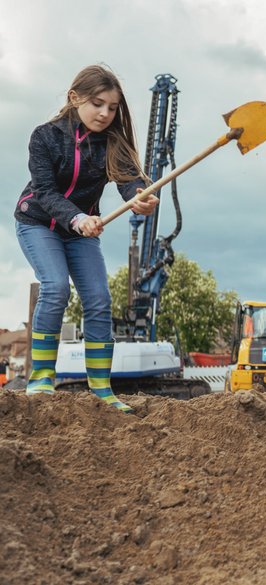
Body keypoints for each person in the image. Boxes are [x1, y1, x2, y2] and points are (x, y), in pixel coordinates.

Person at [14, 64, 159, 413]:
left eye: (112, 107)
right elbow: (45, 193)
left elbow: (129, 181)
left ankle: (101, 388)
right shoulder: (44, 136)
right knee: (56, 288)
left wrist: (139, 197)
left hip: (82, 233)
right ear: (74, 97)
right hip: (39, 223)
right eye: (97, 104)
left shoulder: (113, 142)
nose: (105, 114)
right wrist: (77, 219)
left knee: (98, 299)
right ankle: (41, 379)